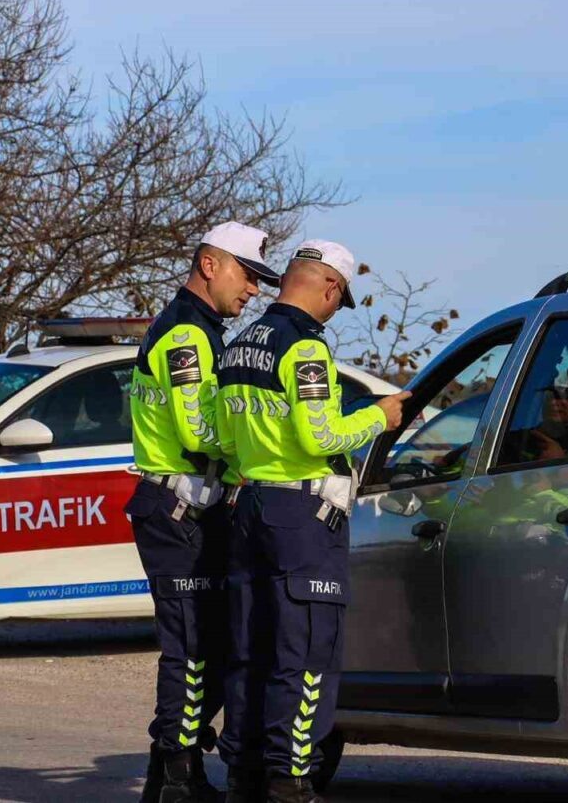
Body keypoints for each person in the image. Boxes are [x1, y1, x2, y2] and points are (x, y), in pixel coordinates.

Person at [215, 240, 409, 803]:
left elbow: (225, 441)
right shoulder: (305, 348)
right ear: (330, 287)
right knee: (305, 656)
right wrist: (376, 417)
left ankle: (243, 775)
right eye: (338, 300)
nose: (332, 311)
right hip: (302, 520)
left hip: (249, 509)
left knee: (249, 651)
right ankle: (289, 780)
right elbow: (321, 435)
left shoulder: (239, 345)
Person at [127, 221, 282, 803]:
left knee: (211, 647)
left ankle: (172, 770)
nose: (254, 290)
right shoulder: (188, 335)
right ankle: (176, 779)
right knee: (193, 650)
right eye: (248, 275)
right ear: (210, 265)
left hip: (194, 507)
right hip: (179, 508)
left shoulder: (201, 330)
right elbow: (198, 431)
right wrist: (261, 452)